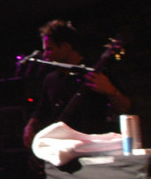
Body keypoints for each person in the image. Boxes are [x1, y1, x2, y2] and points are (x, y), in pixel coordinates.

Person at [22, 19, 131, 147]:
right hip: (63, 146)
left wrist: (111, 91)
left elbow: (126, 108)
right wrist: (30, 125)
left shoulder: (97, 73)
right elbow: (42, 110)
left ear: (65, 47)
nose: (45, 55)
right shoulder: (51, 79)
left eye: (49, 49)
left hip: (96, 145)